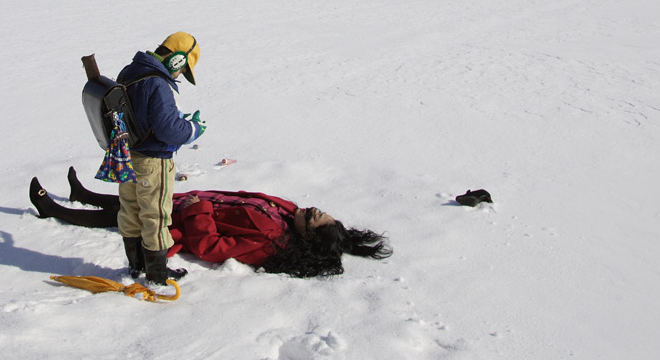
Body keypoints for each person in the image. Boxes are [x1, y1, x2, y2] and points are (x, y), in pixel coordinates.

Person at [30, 167, 392, 279]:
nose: (311, 209)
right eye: (319, 210)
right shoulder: (286, 212)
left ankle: (56, 211)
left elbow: (210, 247)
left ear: (307, 236)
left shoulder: (268, 242)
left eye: (314, 217)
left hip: (182, 219)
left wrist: (198, 207)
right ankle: (83, 193)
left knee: (124, 215)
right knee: (134, 199)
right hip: (189, 202)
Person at [114, 31, 206, 284]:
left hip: (127, 155)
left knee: (131, 210)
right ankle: (157, 273)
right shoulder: (158, 82)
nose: (179, 76)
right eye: (183, 70)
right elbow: (168, 131)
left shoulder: (130, 71)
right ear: (176, 59)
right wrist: (193, 129)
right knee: (156, 215)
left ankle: (136, 265)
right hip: (153, 163)